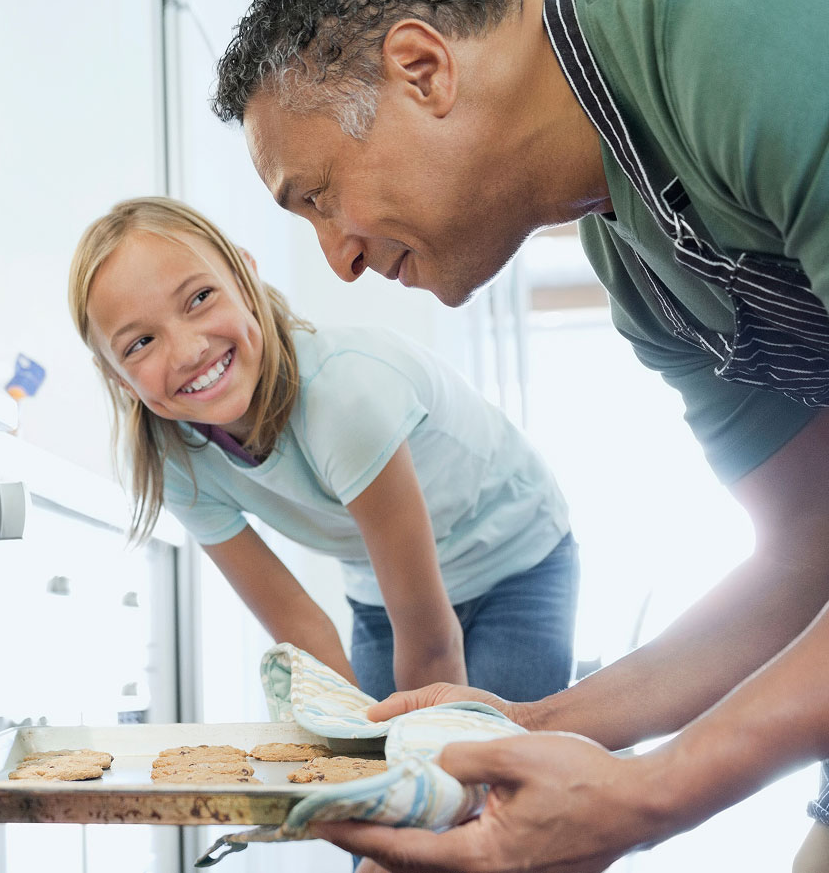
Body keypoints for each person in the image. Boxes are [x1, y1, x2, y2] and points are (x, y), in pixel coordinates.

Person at [210, 0, 829, 870]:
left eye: (320, 196)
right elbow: (814, 544)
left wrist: (653, 793)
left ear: (422, 70)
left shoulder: (730, 27)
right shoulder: (639, 273)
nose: (338, 256)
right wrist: (527, 722)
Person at [68, 195, 579, 716]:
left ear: (245, 278)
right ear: (117, 377)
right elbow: (300, 627)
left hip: (516, 559)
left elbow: (430, 641)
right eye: (140, 343)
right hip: (382, 592)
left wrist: (430, 772)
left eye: (199, 298)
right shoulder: (175, 460)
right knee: (365, 740)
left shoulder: (343, 396)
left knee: (497, 760)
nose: (187, 350)